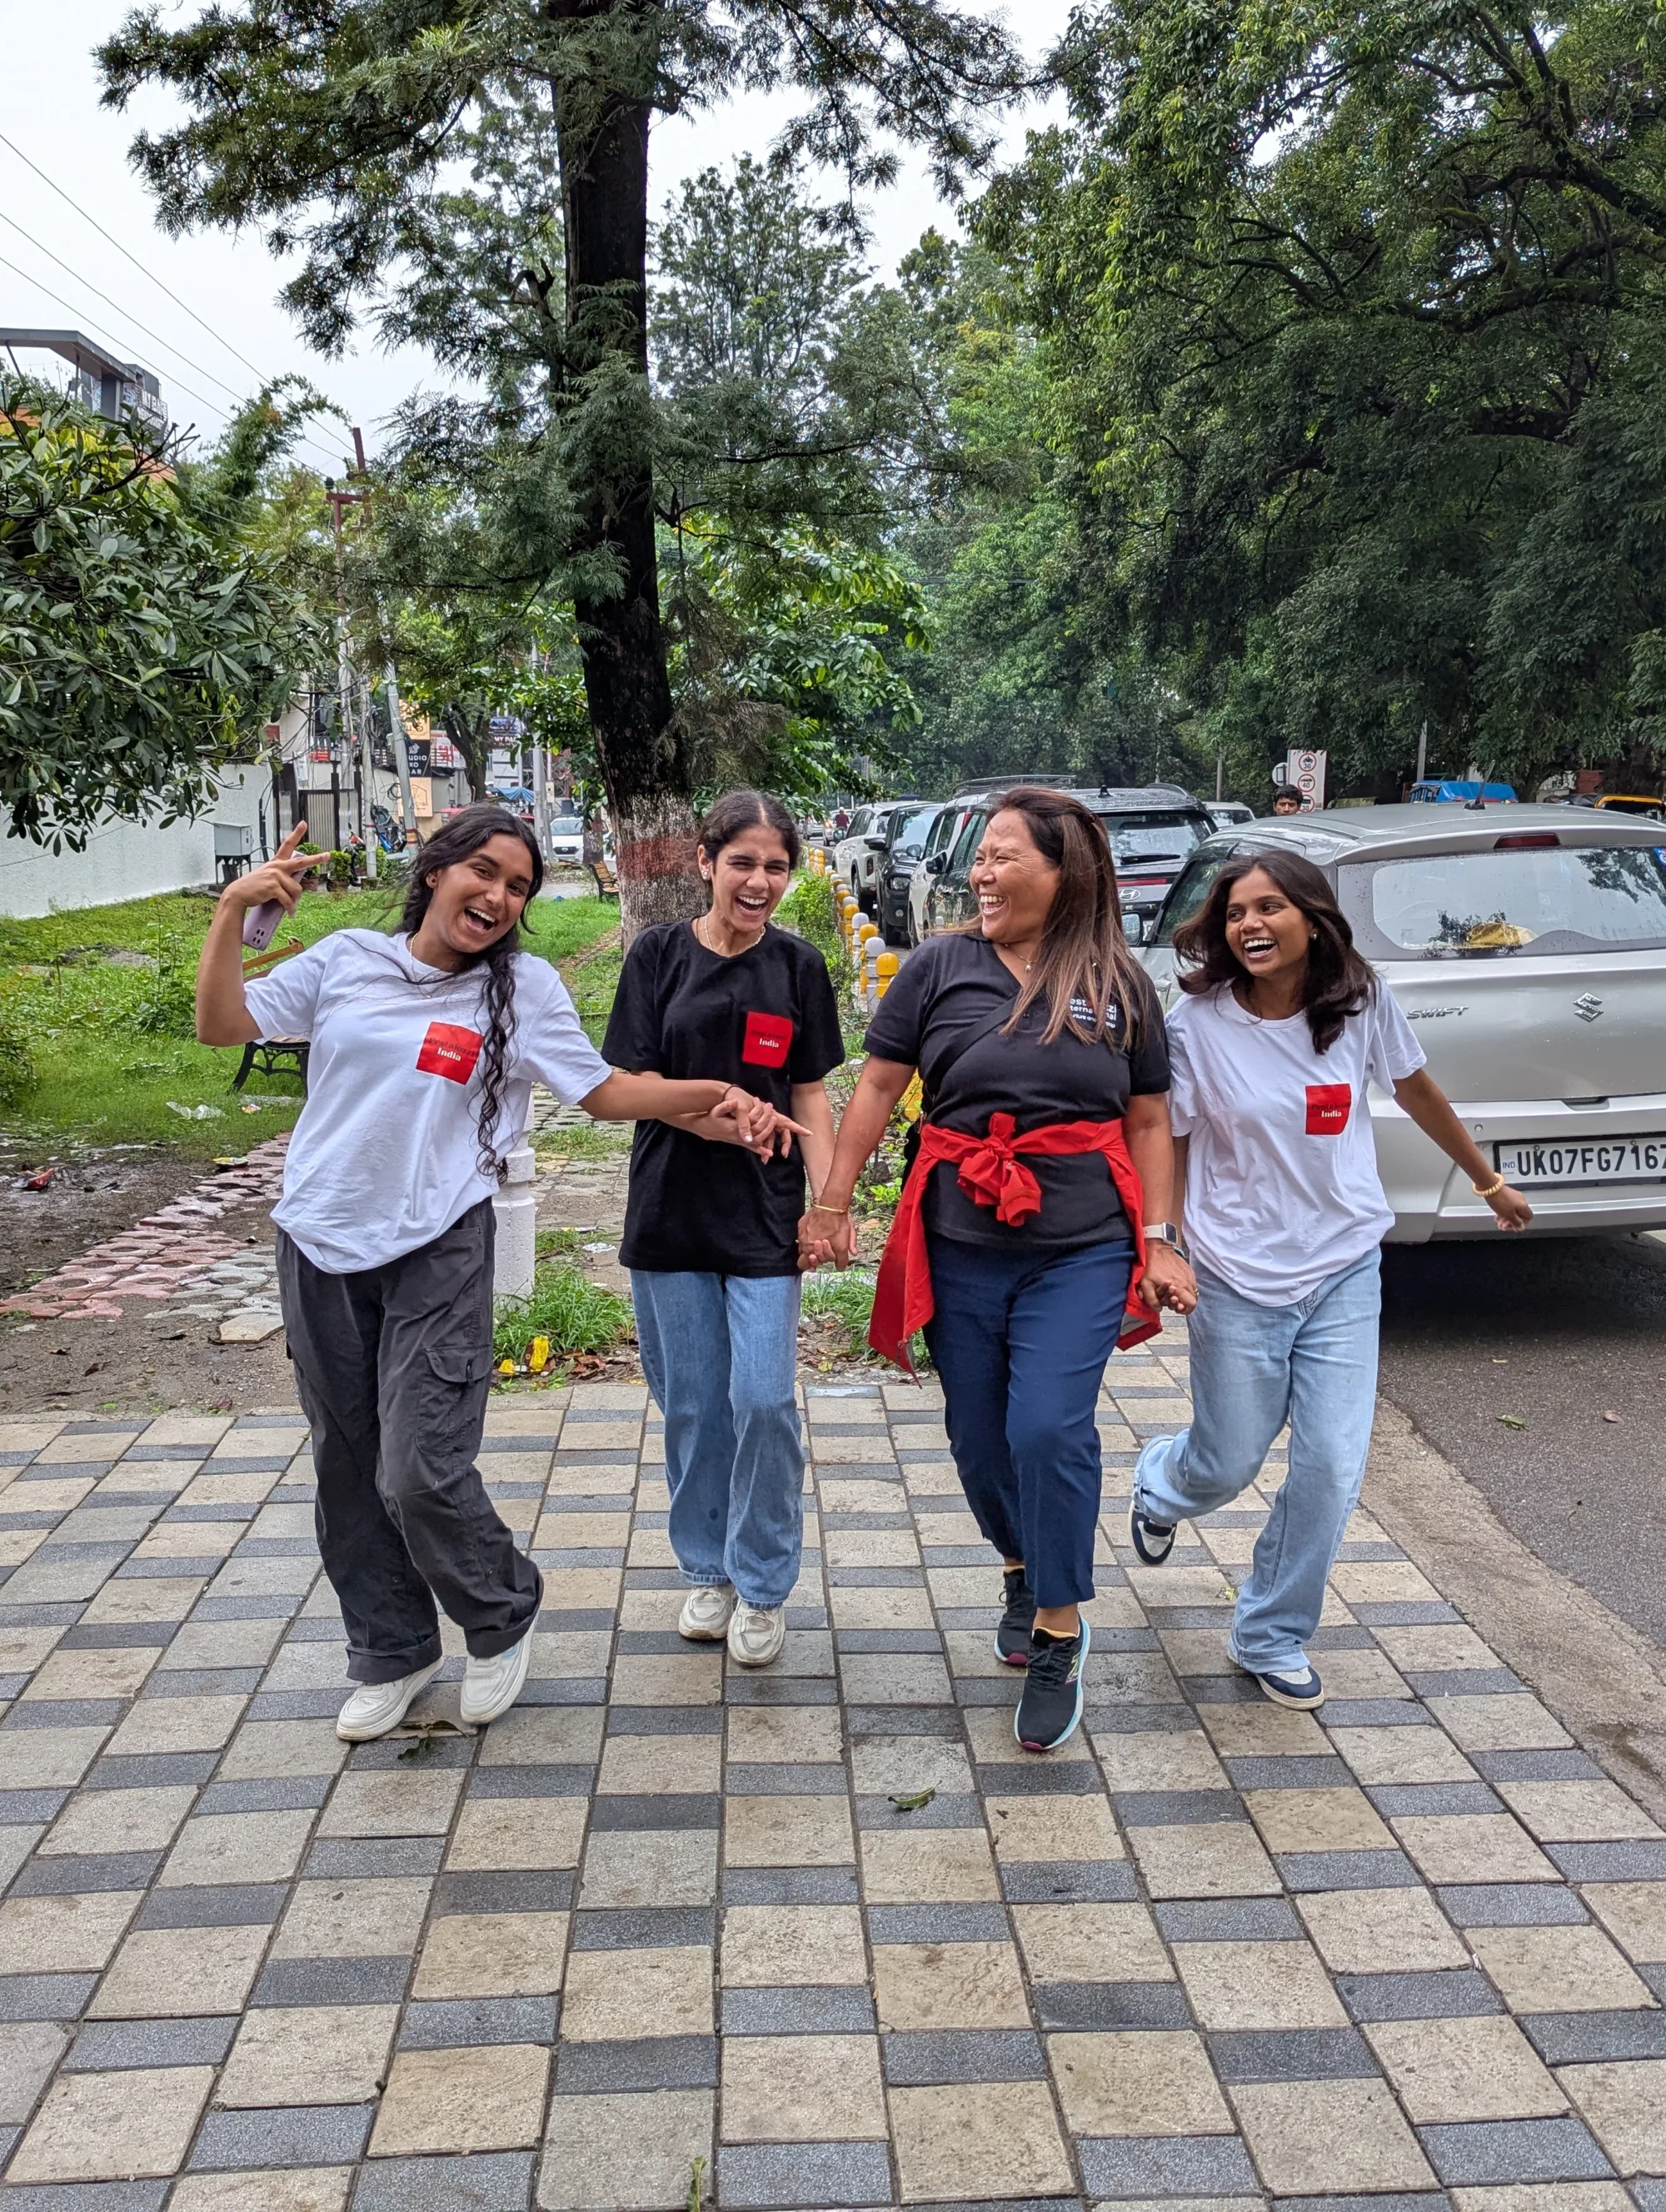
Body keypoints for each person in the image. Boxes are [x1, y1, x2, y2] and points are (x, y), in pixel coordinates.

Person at [197, 804, 781, 1741]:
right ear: (434, 872)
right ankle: (391, 1650)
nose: (499, 897)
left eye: (517, 887)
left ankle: (499, 1609)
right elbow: (223, 1025)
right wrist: (232, 913)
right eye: (484, 873)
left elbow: (602, 1091)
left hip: (437, 1239)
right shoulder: (348, 958)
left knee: (420, 1468)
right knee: (346, 1468)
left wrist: (709, 1096)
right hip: (318, 1240)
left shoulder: (523, 987)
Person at [805, 787, 1196, 1751]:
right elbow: (881, 1086)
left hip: (1081, 1245)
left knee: (1048, 1425)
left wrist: (1159, 1236)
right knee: (980, 1441)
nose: (980, 873)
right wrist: (831, 1198)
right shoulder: (938, 966)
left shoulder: (1117, 983)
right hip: (960, 1242)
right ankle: (1021, 1562)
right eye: (978, 857)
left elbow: (1147, 1120)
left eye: (1002, 856)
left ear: (1064, 874)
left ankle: (1059, 1624)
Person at [1129, 849, 1533, 1707]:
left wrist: (1486, 1179)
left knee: (1329, 1464)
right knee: (1227, 1459)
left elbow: (1415, 1088)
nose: (1248, 925)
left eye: (1268, 907)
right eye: (1234, 913)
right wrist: (1158, 1241)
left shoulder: (1358, 1000)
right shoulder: (1195, 1024)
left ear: (1309, 918)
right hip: (1237, 1272)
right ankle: (1161, 1486)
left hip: (1344, 1264)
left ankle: (1268, 1631)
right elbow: (1166, 1132)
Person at [603, 791, 844, 1667]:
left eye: (775, 865)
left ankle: (765, 1579)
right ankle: (707, 1568)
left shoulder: (797, 966)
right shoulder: (658, 956)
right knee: (695, 1407)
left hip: (762, 1216)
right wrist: (710, 1113)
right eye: (741, 861)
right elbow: (620, 1088)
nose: (759, 880)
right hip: (669, 1212)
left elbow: (810, 1089)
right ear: (704, 863)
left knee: (765, 1401)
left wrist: (829, 1200)